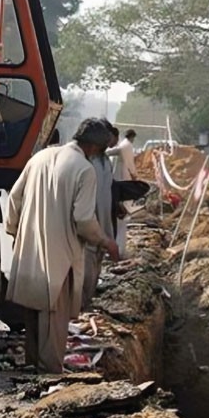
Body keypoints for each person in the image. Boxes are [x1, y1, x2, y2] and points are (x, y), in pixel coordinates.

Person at [5, 118, 120, 373]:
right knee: (53, 318)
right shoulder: (84, 170)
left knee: (33, 311)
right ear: (95, 148)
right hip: (62, 253)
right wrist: (105, 241)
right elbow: (83, 221)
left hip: (30, 247)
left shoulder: (41, 157)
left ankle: (33, 363)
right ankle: (48, 372)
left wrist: (14, 231)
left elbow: (14, 197)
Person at [81, 120, 117, 310]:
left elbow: (107, 194)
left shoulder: (105, 162)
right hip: (88, 231)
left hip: (102, 228)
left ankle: (85, 307)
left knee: (93, 276)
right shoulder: (86, 164)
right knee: (84, 278)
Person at [107, 128, 138, 258]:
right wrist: (135, 175)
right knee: (121, 218)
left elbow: (110, 152)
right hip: (122, 182)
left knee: (118, 218)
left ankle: (116, 248)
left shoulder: (122, 146)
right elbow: (130, 164)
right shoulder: (127, 146)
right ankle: (119, 250)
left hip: (118, 182)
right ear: (133, 137)